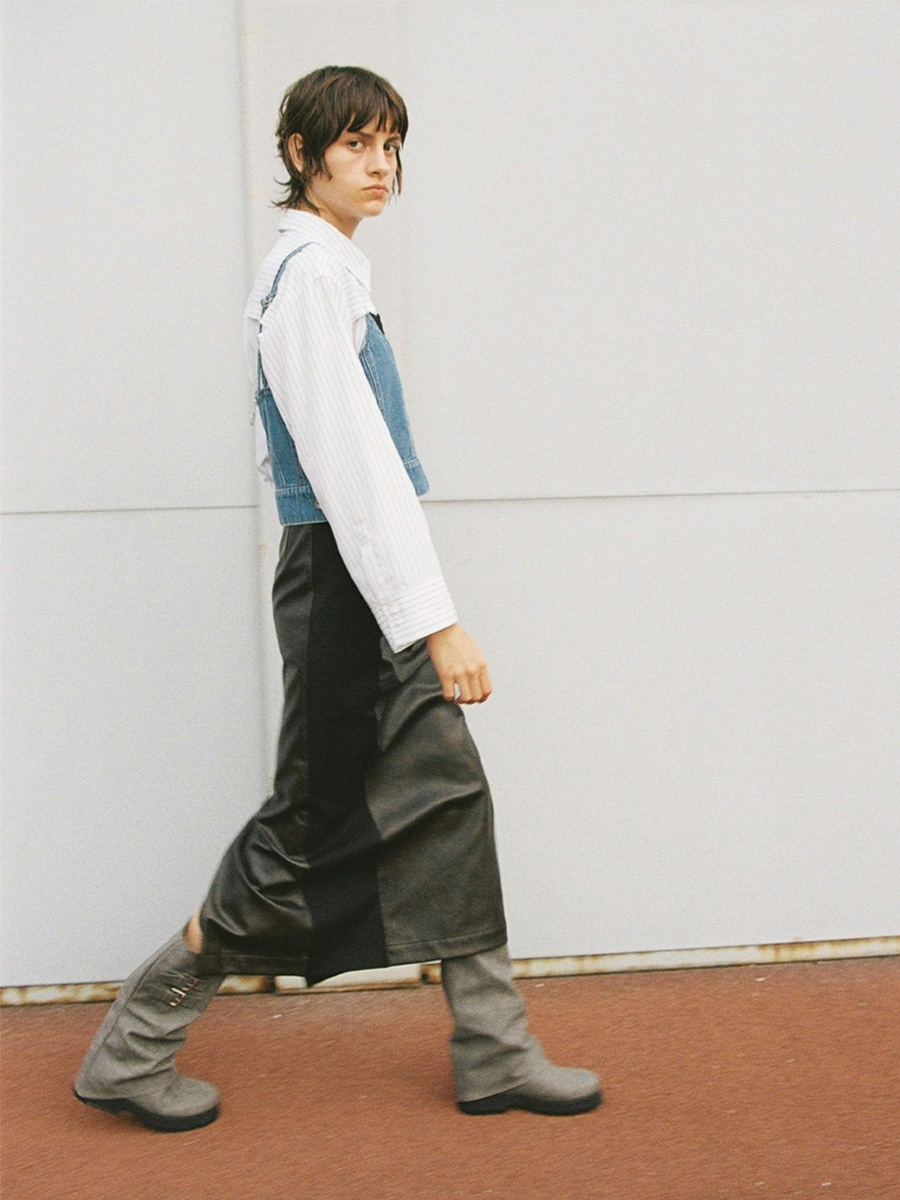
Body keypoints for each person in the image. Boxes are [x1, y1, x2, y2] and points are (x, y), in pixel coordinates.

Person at [73, 65, 600, 1133]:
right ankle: (132, 1050)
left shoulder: (328, 271)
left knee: (450, 801)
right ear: (302, 155)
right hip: (347, 589)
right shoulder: (310, 275)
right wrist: (437, 622)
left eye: (390, 144)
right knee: (304, 830)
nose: (380, 165)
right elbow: (354, 471)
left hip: (361, 582)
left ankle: (493, 1050)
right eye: (356, 143)